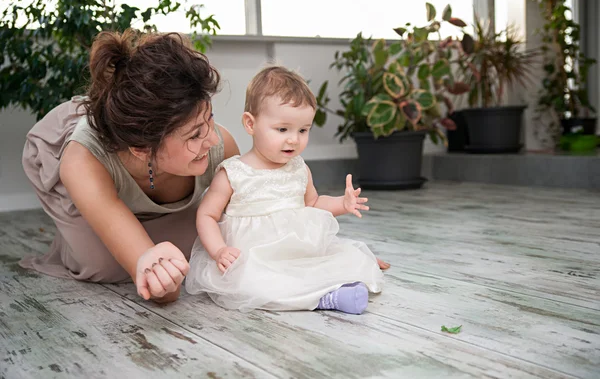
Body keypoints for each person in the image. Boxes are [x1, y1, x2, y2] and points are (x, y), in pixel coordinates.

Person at [20, 29, 240, 303]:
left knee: (214, 238)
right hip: (83, 163)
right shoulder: (82, 161)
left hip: (138, 136)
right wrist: (156, 270)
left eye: (210, 118)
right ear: (142, 149)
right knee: (99, 264)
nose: (212, 138)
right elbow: (160, 288)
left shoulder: (220, 146)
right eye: (195, 135)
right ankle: (85, 224)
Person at [185, 66, 388, 314]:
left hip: (296, 251)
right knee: (256, 284)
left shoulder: (299, 168)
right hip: (253, 257)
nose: (294, 139)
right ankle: (326, 298)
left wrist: (341, 204)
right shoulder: (233, 172)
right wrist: (219, 250)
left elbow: (312, 203)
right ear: (250, 123)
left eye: (303, 130)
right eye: (283, 129)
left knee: (331, 261)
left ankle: (333, 285)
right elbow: (207, 215)